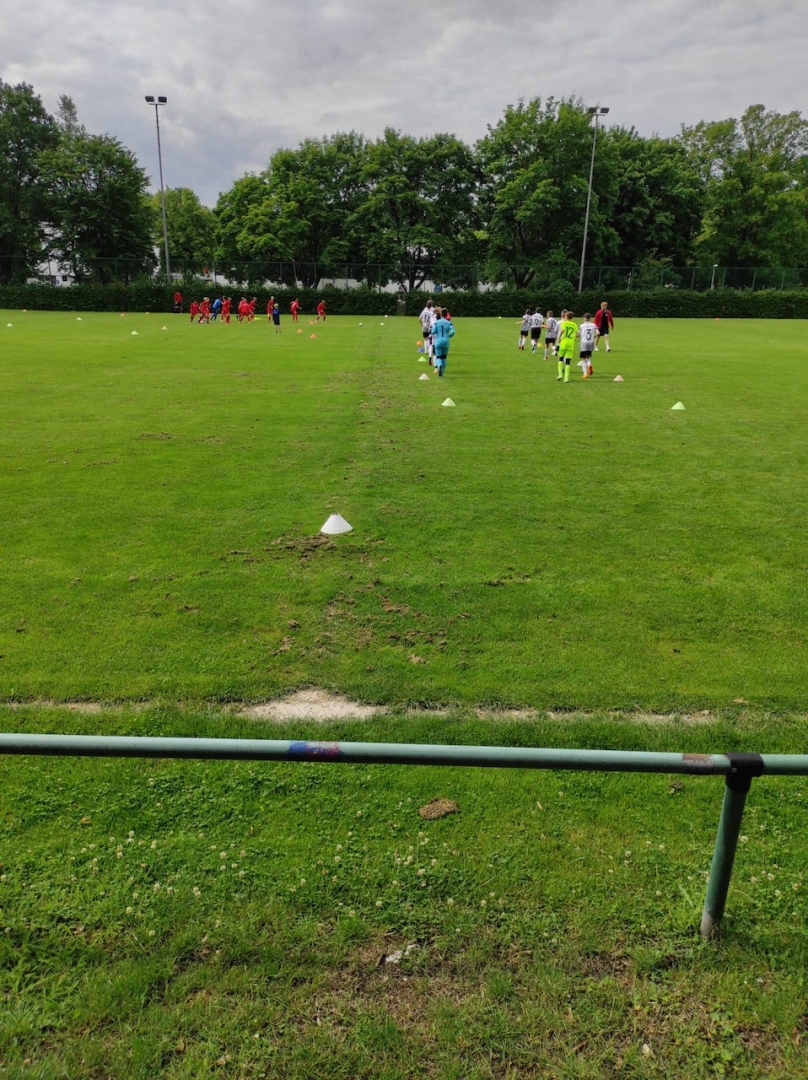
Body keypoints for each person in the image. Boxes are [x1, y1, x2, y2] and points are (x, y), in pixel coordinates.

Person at [432, 307, 456, 377]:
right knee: (444, 358)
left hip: (438, 341)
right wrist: (449, 335)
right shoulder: (449, 323)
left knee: (438, 357)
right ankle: (442, 373)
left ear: (441, 314)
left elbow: (433, 331)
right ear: (446, 314)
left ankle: (439, 365)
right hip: (446, 341)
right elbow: (453, 331)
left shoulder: (437, 322)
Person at [556, 310, 578, 382]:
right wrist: (573, 336)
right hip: (571, 344)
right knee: (568, 361)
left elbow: (562, 330)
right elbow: (578, 334)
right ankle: (566, 378)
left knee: (560, 358)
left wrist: (559, 338)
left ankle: (560, 375)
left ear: (566, 316)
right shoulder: (574, 325)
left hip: (564, 342)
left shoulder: (564, 323)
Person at [578, 313, 598, 377]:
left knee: (583, 358)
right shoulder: (593, 325)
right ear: (590, 318)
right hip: (591, 342)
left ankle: (585, 374)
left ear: (584, 318)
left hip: (584, 343)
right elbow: (598, 333)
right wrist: (593, 337)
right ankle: (589, 365)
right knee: (587, 357)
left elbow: (578, 334)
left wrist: (574, 336)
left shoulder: (582, 326)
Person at [419, 299, 435, 364]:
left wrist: (422, 325)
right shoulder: (432, 311)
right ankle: (429, 350)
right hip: (429, 327)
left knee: (425, 339)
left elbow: (419, 319)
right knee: (429, 339)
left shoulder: (424, 311)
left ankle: (426, 350)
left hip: (424, 326)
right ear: (431, 305)